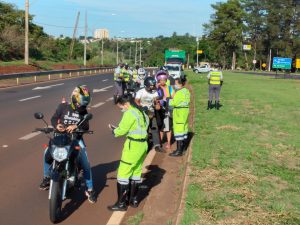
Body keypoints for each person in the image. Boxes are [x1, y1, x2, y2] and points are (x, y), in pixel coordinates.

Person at [39, 85, 97, 203]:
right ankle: (46, 177)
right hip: (59, 138)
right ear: (75, 98)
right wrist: (57, 125)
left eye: (85, 101)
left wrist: (76, 126)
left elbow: (86, 125)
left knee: (85, 163)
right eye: (82, 101)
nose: (83, 104)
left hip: (76, 140)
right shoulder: (63, 107)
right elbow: (54, 118)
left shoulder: (84, 111)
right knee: (46, 154)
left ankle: (90, 189)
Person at [107, 94, 149, 211]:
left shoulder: (129, 113)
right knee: (136, 172)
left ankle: (121, 204)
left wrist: (114, 131)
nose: (122, 109)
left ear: (126, 104)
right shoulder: (141, 112)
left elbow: (121, 130)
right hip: (143, 145)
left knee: (123, 175)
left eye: (121, 107)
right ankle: (133, 200)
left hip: (133, 146)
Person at [135, 77, 163, 152]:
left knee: (154, 128)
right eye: (151, 85)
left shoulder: (155, 92)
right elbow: (136, 101)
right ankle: (145, 146)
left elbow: (157, 105)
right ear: (146, 85)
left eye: (153, 85)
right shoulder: (140, 92)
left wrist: (157, 104)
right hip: (142, 113)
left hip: (151, 113)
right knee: (144, 130)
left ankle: (157, 145)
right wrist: (142, 108)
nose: (152, 87)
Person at [169, 76, 190, 157]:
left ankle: (178, 151)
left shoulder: (179, 92)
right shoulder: (186, 91)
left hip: (179, 113)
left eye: (176, 83)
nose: (175, 85)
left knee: (178, 131)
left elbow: (173, 102)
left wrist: (165, 101)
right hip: (184, 112)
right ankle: (183, 148)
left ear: (180, 84)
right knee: (184, 129)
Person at [156, 70, 175, 150]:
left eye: (164, 80)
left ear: (166, 80)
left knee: (168, 127)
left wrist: (167, 98)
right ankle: (159, 142)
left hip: (167, 109)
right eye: (161, 80)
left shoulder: (170, 88)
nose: (163, 82)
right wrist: (156, 88)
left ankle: (168, 143)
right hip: (159, 110)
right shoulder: (157, 88)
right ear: (158, 81)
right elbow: (154, 97)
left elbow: (174, 96)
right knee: (160, 127)